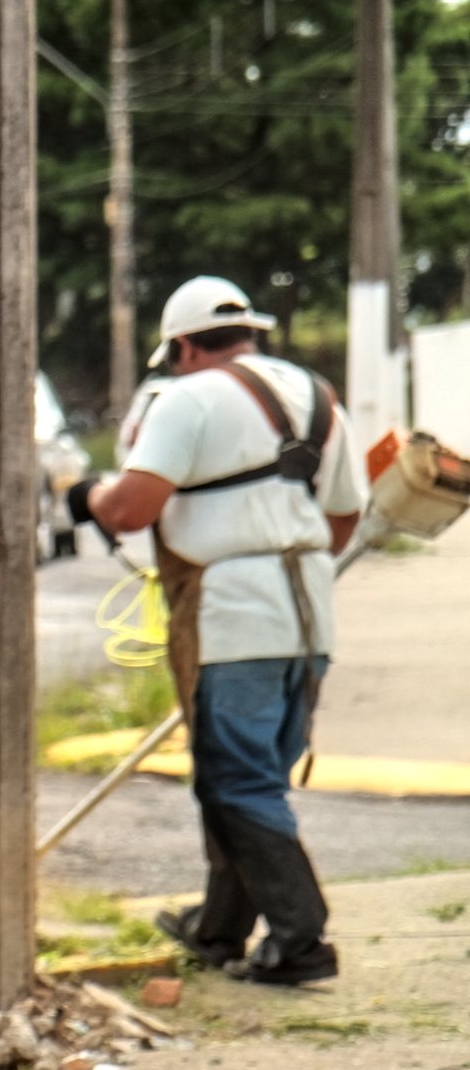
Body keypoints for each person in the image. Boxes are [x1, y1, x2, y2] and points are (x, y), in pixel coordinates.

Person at [70, 275, 366, 986]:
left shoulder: (188, 398)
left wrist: (88, 496)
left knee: (235, 783)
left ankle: (301, 941)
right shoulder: (317, 395)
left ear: (181, 347)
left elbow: (133, 508)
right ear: (247, 333)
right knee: (253, 779)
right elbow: (345, 516)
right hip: (308, 619)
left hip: (233, 620)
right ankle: (219, 932)